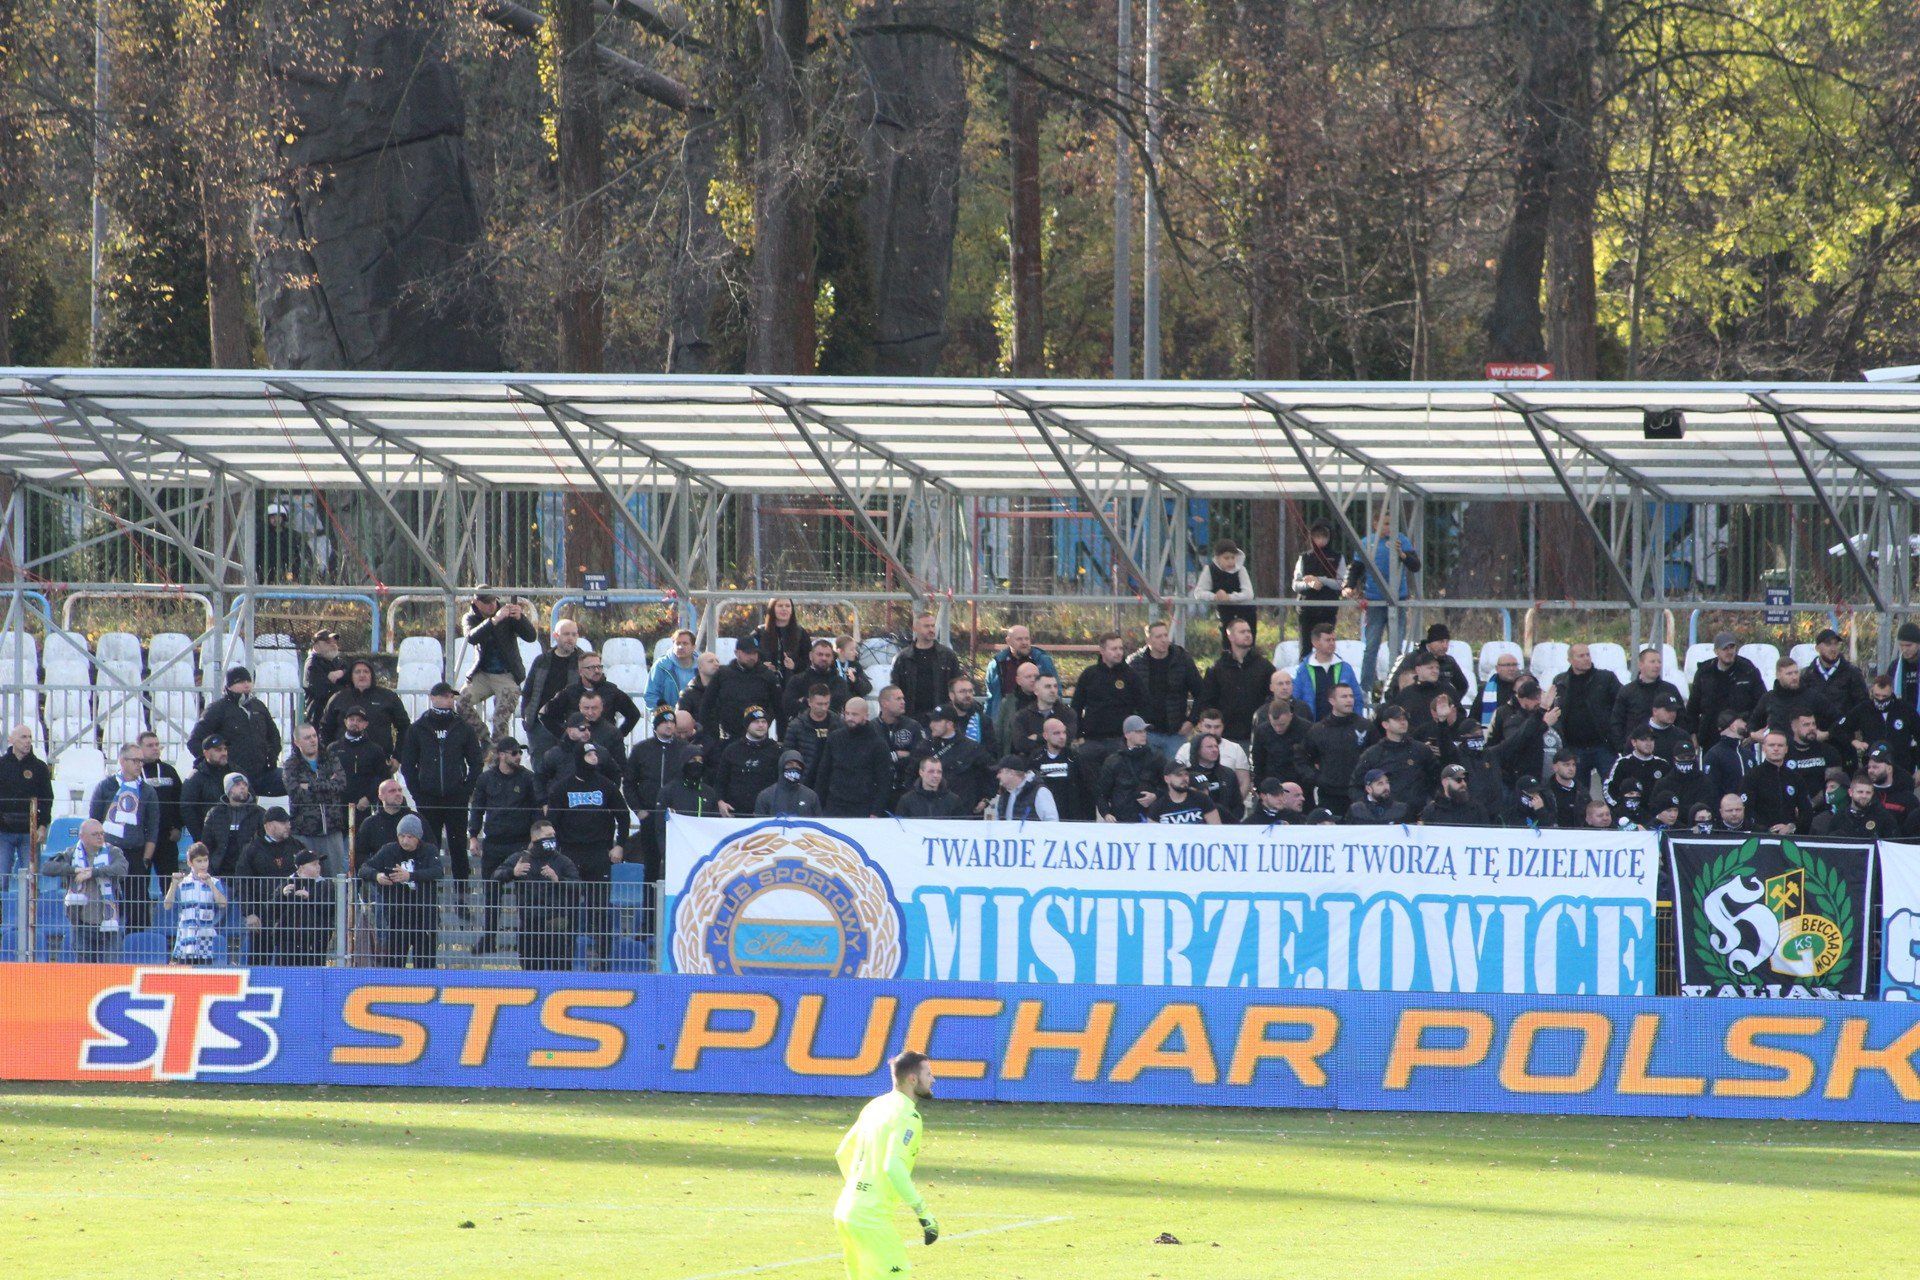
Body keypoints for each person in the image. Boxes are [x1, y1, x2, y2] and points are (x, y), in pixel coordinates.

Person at [835, 1051, 940, 1280]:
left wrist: (860, 1190)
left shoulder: (876, 1105)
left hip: (846, 1210)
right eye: (928, 1074)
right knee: (897, 1274)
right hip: (871, 1218)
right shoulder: (908, 1115)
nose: (933, 1079)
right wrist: (923, 1212)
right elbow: (893, 1166)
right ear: (913, 1079)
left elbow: (843, 1152)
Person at [545, 742, 628, 969]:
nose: (593, 757)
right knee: (568, 912)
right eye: (589, 753)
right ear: (580, 757)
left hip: (599, 854)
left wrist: (619, 845)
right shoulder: (562, 788)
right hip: (570, 855)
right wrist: (554, 853)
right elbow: (552, 822)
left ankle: (603, 963)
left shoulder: (606, 786)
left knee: (599, 912)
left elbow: (623, 816)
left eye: (595, 753)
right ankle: (564, 965)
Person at [401, 681, 485, 886]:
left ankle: (462, 895)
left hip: (456, 798)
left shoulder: (463, 727)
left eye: (451, 696)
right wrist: (418, 793)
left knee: (458, 848)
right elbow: (408, 764)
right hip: (428, 798)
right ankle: (428, 895)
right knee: (429, 847)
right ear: (433, 697)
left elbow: (476, 761)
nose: (449, 700)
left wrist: (466, 790)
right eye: (445, 696)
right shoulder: (418, 728)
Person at [469, 735, 541, 953]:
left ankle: (525, 937)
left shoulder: (527, 778)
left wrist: (532, 841)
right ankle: (489, 937)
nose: (519, 757)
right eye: (514, 753)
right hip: (494, 843)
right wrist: (473, 836)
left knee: (525, 894)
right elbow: (477, 809)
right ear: (501, 755)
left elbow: (536, 811)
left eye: (520, 753)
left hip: (520, 844)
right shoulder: (486, 779)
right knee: (491, 891)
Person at [1343, 508, 1420, 691]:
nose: (1389, 528)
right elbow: (1356, 568)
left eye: (1392, 524)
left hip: (1398, 600)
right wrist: (1349, 586)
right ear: (1375, 525)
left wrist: (1402, 554)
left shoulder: (1402, 540)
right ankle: (1366, 688)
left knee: (1397, 647)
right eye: (1385, 524)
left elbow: (1415, 565)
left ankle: (1396, 686)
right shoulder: (1366, 543)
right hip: (1375, 602)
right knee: (1371, 646)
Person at [87, 744, 159, 929]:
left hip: (135, 853)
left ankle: (137, 941)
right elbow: (93, 821)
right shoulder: (106, 786)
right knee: (107, 898)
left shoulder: (147, 791)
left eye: (141, 761)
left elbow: (152, 827)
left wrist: (145, 859)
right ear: (122, 761)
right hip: (108, 853)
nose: (139, 765)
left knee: (137, 902)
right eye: (135, 760)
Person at [359, 813, 443, 968]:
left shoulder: (429, 851)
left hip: (424, 918)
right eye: (402, 836)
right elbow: (363, 869)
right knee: (394, 964)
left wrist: (410, 876)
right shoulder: (389, 850)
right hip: (397, 917)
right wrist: (376, 876)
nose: (405, 841)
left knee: (425, 965)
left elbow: (438, 872)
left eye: (410, 837)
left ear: (418, 837)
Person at [495, 822, 579, 971]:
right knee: (530, 969)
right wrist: (513, 873)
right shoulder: (521, 858)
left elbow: (579, 886)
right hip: (529, 923)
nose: (553, 838)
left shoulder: (562, 861)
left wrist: (558, 880)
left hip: (556, 923)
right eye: (548, 836)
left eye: (553, 835)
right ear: (535, 838)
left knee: (560, 969)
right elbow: (495, 876)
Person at [188, 666, 283, 793]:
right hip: (231, 777)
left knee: (291, 779)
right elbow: (194, 741)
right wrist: (212, 765)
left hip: (262, 773)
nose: (246, 684)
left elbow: (274, 736)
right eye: (240, 681)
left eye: (248, 681)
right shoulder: (218, 709)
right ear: (229, 685)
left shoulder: (258, 706)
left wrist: (272, 756)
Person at [456, 591, 537, 739]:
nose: (492, 605)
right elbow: (472, 638)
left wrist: (521, 618)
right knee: (461, 703)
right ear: (476, 603)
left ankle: (499, 752)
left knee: (500, 719)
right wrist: (494, 620)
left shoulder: (507, 614)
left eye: (494, 601)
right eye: (487, 603)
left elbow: (531, 637)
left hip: (506, 675)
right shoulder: (470, 618)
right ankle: (485, 739)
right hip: (483, 674)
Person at [46, 819, 127, 961]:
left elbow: (122, 869)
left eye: (102, 833)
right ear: (82, 836)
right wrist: (74, 870)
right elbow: (48, 867)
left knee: (111, 970)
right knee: (84, 974)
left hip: (109, 924)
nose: (100, 837)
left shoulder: (113, 852)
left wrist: (93, 872)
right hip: (81, 924)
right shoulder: (72, 853)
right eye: (95, 834)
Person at [236, 806, 305, 958]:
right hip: (263, 915)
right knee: (261, 958)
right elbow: (243, 883)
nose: (288, 825)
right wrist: (249, 913)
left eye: (288, 821)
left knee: (291, 961)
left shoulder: (296, 846)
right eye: (283, 822)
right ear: (268, 825)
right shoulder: (251, 850)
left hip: (291, 915)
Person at [280, 723, 349, 874]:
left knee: (335, 879)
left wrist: (309, 786)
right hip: (304, 833)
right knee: (307, 881)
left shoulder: (331, 759)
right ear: (297, 742)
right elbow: (295, 793)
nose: (313, 740)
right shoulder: (291, 765)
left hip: (332, 831)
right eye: (307, 738)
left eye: (314, 736)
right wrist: (327, 784)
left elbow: (341, 785)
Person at [1073, 631, 1149, 768]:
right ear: (1102, 651)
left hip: (1120, 740)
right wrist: (1078, 735)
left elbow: (1144, 705)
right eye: (1114, 649)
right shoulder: (1089, 675)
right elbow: (1076, 706)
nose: (1119, 652)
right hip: (1092, 741)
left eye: (1120, 648)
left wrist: (1134, 734)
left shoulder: (1131, 676)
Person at [1128, 620, 1202, 760]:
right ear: (1148, 640)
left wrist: (1192, 721)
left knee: (1176, 772)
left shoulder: (1182, 660)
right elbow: (1128, 697)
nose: (1164, 640)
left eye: (1165, 635)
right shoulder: (1135, 663)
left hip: (1175, 733)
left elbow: (1201, 692)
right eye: (1158, 637)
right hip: (1146, 733)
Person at [1551, 643, 1622, 785]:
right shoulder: (1560, 681)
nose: (1586, 658)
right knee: (1579, 794)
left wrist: (1615, 736)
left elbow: (1621, 705)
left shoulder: (1606, 678)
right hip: (1574, 748)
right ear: (1570, 660)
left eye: (1588, 654)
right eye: (1581, 656)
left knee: (1613, 788)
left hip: (1603, 746)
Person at [696, 636, 786, 746]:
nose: (752, 657)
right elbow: (706, 706)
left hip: (758, 738)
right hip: (728, 738)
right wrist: (709, 737)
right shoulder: (723, 674)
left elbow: (779, 710)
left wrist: (781, 738)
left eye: (755, 653)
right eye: (748, 653)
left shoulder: (767, 676)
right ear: (737, 653)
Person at [1198, 618, 1274, 745]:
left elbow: (1273, 696)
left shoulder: (1264, 666)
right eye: (1242, 632)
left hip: (1256, 736)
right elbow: (1207, 701)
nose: (1247, 635)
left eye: (1249, 631)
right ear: (1231, 636)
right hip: (1226, 737)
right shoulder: (1218, 668)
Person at [1685, 632, 1764, 751]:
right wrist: (1692, 734)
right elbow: (1692, 708)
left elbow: (1762, 703)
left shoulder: (1748, 670)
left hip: (1741, 738)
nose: (1729, 651)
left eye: (1732, 647)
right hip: (1711, 737)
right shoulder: (1704, 672)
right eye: (1725, 648)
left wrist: (1751, 731)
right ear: (1716, 651)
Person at [540, 652, 643, 744]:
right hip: (577, 748)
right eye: (591, 668)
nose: (597, 671)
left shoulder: (611, 691)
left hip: (605, 748)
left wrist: (617, 736)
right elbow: (544, 715)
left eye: (599, 667)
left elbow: (633, 714)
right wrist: (564, 736)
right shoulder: (570, 692)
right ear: (580, 671)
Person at [522, 618, 588, 757]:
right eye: (566, 634)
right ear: (556, 636)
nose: (570, 638)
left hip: (569, 724)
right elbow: (528, 690)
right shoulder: (541, 660)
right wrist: (526, 715)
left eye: (574, 634)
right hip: (540, 725)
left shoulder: (583, 661)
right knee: (541, 768)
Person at [817, 700, 893, 818]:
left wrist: (876, 811)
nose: (849, 718)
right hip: (834, 806)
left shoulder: (878, 744)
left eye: (854, 714)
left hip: (863, 808)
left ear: (866, 716)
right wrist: (819, 806)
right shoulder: (835, 738)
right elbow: (823, 774)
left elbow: (884, 781)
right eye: (847, 714)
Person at [1298, 682, 1367, 813]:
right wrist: (1317, 778)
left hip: (1359, 794)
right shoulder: (1318, 730)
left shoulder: (1365, 727)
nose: (1349, 700)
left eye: (1351, 696)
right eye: (1344, 696)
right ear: (1332, 701)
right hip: (1329, 795)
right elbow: (1302, 758)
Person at [1353, 706, 1436, 813]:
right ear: (1385, 724)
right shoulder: (1373, 753)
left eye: (1404, 719)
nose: (1403, 722)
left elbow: (1435, 778)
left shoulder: (1421, 750)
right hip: (1386, 816)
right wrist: (1369, 808)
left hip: (1417, 814)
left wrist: (1431, 805)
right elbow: (1356, 786)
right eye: (1397, 719)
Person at [320, 659, 409, 755]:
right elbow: (325, 729)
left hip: (379, 760)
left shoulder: (388, 697)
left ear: (372, 675)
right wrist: (330, 755)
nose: (362, 675)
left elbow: (404, 727)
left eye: (366, 671)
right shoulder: (338, 698)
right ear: (351, 676)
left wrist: (397, 756)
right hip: (343, 761)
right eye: (357, 672)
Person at [0, 724, 50, 893]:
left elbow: (46, 799)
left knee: (31, 880)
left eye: (29, 737)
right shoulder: (1, 765)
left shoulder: (40, 768)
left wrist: (43, 825)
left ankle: (30, 919)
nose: (28, 741)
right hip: (3, 832)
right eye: (23, 737)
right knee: (1, 878)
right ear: (11, 740)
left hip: (30, 832)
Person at [1841, 674, 1919, 776]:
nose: (1880, 699)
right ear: (1872, 691)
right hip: (1872, 771)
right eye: (1877, 695)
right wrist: (1854, 741)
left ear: (1892, 691)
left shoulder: (1905, 710)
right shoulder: (1863, 709)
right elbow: (1839, 729)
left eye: (1884, 696)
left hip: (1902, 769)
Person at [1610, 646, 1685, 753]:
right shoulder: (1627, 691)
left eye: (1659, 662)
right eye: (1652, 661)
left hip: (1666, 748)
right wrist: (1622, 747)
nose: (1657, 665)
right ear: (1640, 664)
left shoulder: (1670, 689)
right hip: (1636, 751)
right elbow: (1617, 721)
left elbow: (1682, 719)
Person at [889, 613, 962, 720]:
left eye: (933, 626)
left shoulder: (948, 656)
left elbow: (957, 685)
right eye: (926, 626)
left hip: (941, 716)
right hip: (910, 716)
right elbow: (894, 688)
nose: (931, 629)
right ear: (915, 628)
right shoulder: (902, 658)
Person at [163, 844, 227, 965]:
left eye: (205, 860)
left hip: (205, 938)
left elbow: (223, 904)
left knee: (203, 974)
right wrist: (173, 884)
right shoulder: (182, 882)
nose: (203, 865)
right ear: (190, 863)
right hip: (185, 937)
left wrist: (211, 885)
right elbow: (167, 905)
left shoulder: (215, 882)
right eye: (199, 861)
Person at [136, 731, 184, 886]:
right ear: (139, 748)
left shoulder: (169, 771)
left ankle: (171, 911)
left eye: (157, 745)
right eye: (150, 745)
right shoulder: (134, 773)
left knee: (170, 885)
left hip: (166, 838)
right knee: (140, 885)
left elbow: (180, 801)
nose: (155, 748)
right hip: (141, 838)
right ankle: (141, 911)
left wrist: (178, 827)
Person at [984, 624, 1056, 728]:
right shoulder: (997, 664)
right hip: (1006, 721)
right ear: (1008, 641)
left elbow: (1055, 691)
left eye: (1027, 639)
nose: (1024, 642)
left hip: (1038, 719)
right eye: (1019, 639)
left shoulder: (1042, 661)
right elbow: (991, 698)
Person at [716, 706, 782, 816]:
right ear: (747, 725)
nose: (761, 725)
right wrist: (720, 802)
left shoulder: (776, 750)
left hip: (766, 813)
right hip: (736, 813)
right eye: (756, 722)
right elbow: (721, 781)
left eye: (764, 721)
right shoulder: (732, 750)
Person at [925, 706, 992, 812]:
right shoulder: (925, 746)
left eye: (937, 721)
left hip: (963, 811)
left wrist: (985, 799)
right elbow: (912, 773)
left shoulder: (971, 748)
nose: (931, 725)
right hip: (931, 810)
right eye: (932, 721)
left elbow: (989, 773)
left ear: (950, 724)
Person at [1095, 717, 1160, 823]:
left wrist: (1155, 796)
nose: (1144, 734)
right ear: (1127, 734)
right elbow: (1101, 792)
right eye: (1139, 731)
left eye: (1144, 731)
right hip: (1121, 819)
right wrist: (1106, 814)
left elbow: (1167, 785)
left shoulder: (1156, 757)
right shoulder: (1113, 761)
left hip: (1150, 819)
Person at [1603, 725, 1670, 828]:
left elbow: (1669, 792)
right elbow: (1608, 788)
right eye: (1644, 740)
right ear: (1634, 742)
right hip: (1627, 818)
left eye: (1651, 740)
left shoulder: (1662, 764)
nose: (1648, 743)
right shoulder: (1623, 763)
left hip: (1654, 818)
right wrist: (1619, 807)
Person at [1293, 623, 1364, 720]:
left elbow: (1357, 699)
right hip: (1312, 727)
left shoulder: (1345, 668)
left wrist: (1356, 723)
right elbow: (1296, 700)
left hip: (1341, 727)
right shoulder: (1303, 670)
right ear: (1315, 643)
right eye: (1327, 640)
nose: (1332, 643)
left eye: (1333, 640)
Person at [1028, 717, 1093, 821]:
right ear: (1045, 736)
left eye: (1064, 733)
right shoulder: (1036, 758)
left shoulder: (1074, 758)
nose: (1062, 737)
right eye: (1056, 733)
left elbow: (1087, 790)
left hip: (1071, 818)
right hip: (1044, 818)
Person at [1291, 522, 1344, 649]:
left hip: (1328, 609)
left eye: (1323, 536)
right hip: (1307, 609)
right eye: (1316, 536)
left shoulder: (1337, 557)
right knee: (1305, 648)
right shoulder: (1304, 557)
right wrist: (1310, 584)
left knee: (1326, 647)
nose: (1320, 540)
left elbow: (1341, 583)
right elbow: (1295, 584)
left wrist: (1322, 580)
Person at [1194, 539, 1256, 641]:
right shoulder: (1209, 570)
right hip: (1225, 614)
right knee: (1228, 643)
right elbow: (1198, 592)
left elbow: (1249, 594)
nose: (1231, 561)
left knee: (1247, 642)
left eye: (1233, 557)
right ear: (1217, 558)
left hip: (1246, 613)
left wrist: (1229, 597)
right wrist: (1215, 597)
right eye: (1226, 558)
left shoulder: (1241, 570)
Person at [204, 773, 264, 877]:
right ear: (228, 789)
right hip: (220, 873)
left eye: (245, 785)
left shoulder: (259, 813)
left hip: (249, 874)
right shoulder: (215, 813)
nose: (242, 787)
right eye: (237, 785)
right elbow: (206, 845)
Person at [876, 686, 929, 800]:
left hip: (907, 791)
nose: (903, 702)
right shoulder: (871, 728)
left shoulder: (913, 726)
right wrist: (895, 755)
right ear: (884, 703)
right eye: (898, 699)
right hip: (877, 792)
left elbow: (921, 757)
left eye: (903, 699)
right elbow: (869, 758)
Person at [1391, 624, 1470, 701]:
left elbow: (1462, 686)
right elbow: (1395, 687)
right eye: (1441, 642)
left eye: (1447, 642)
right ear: (1430, 643)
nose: (1445, 646)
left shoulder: (1449, 662)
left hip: (1440, 710)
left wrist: (1451, 702)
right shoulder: (1413, 659)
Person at [781, 639, 853, 723]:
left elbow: (838, 704)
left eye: (827, 655)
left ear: (832, 658)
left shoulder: (839, 682)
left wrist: (804, 701)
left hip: (831, 729)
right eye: (820, 654)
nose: (824, 658)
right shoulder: (797, 680)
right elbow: (788, 707)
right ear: (811, 656)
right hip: (802, 730)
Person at [1250, 696, 1310, 794]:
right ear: (1269, 717)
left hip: (1301, 784)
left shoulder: (1306, 729)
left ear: (1290, 716)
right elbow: (1258, 761)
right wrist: (1260, 786)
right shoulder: (1262, 731)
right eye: (1274, 725)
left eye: (1282, 724)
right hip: (1273, 783)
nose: (1278, 729)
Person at [180, 735, 232, 845]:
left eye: (225, 749)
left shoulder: (235, 772)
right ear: (206, 753)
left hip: (234, 839)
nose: (223, 753)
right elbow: (187, 808)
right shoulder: (195, 777)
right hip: (209, 841)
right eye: (218, 750)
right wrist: (201, 838)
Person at [353, 778, 416, 868]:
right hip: (379, 876)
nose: (398, 794)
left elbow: (429, 849)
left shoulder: (415, 819)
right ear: (381, 796)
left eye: (400, 790)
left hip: (410, 874)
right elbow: (359, 854)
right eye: (392, 791)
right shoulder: (370, 823)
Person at [783, 684, 839, 785]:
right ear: (809, 702)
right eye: (819, 704)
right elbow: (788, 757)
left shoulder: (838, 723)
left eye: (826, 703)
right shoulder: (796, 726)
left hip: (832, 781)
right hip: (806, 780)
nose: (823, 708)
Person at [1010, 673, 1077, 755]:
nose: (1053, 690)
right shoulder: (1022, 716)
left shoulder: (1067, 713)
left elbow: (1068, 737)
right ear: (1036, 691)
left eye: (1055, 686)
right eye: (1048, 687)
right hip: (1032, 762)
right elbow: (1020, 745)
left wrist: (1038, 737)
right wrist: (1054, 739)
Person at [1184, 734, 1243, 822]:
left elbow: (1238, 805)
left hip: (1226, 825)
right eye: (1209, 747)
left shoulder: (1228, 774)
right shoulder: (1187, 776)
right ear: (1197, 750)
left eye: (1216, 746)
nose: (1215, 750)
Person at [1812, 774, 1890, 838]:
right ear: (1850, 792)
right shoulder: (1839, 817)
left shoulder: (1882, 816)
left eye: (1868, 793)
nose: (1864, 796)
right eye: (1860, 792)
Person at [986, 755, 1058, 821]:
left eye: (1000, 772)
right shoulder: (1004, 795)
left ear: (1011, 773)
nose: (997, 776)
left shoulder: (1040, 792)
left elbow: (1052, 823)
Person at [1146, 759, 1219, 824]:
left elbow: (1216, 829)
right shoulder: (1157, 807)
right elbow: (1153, 836)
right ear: (1167, 779)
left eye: (1186, 774)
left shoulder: (1202, 799)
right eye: (1179, 775)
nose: (1184, 778)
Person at [894, 755, 969, 819]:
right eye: (931, 771)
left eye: (939, 772)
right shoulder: (907, 800)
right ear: (921, 772)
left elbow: (961, 828)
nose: (936, 775)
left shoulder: (953, 800)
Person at [646, 629, 700, 715]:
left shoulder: (702, 666)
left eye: (685, 643)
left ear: (693, 647)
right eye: (677, 643)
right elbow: (651, 695)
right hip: (667, 718)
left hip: (696, 718)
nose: (680, 647)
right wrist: (666, 714)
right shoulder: (661, 666)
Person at [754, 597, 812, 677]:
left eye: (788, 606)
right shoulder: (759, 632)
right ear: (772, 608)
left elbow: (808, 660)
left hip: (792, 683)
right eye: (780, 606)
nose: (784, 609)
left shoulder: (801, 633)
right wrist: (761, 666)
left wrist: (795, 666)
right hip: (764, 682)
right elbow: (748, 657)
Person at [756, 750, 823, 817]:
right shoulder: (766, 796)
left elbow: (818, 823)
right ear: (782, 766)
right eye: (790, 764)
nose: (794, 767)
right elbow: (759, 824)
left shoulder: (811, 796)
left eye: (798, 765)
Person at [302, 629, 348, 726]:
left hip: (336, 715)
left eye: (334, 641)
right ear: (316, 646)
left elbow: (350, 675)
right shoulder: (312, 663)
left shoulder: (336, 661)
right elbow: (321, 690)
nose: (333, 644)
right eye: (328, 642)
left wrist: (341, 672)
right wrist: (342, 687)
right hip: (319, 717)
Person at [1421, 763, 1490, 825]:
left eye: (1465, 779)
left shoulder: (1477, 809)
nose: (1464, 784)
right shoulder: (1431, 811)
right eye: (1458, 780)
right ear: (1445, 782)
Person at [1476, 650, 1524, 727]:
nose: (1512, 669)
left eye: (1514, 665)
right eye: (1507, 665)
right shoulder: (1485, 691)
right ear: (1497, 668)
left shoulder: (1524, 688)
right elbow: (1475, 717)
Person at [1543, 750, 1586, 828]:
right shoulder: (1545, 791)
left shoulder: (1582, 791)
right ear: (1555, 767)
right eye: (1566, 765)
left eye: (1573, 765)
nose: (1571, 768)